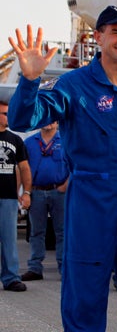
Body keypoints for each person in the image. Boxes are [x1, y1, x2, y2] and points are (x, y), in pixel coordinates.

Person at [8, 6, 117, 331]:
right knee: (84, 303)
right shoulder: (73, 84)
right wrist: (29, 82)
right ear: (98, 36)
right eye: (116, 32)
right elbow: (21, 120)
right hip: (90, 206)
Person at [21, 121, 68, 281]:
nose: (48, 123)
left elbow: (75, 164)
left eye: (52, 119)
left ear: (57, 122)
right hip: (37, 192)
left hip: (59, 192)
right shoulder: (29, 142)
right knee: (36, 232)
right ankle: (35, 268)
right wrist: (24, 193)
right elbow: (22, 167)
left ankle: (64, 267)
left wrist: (67, 184)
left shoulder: (66, 140)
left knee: (62, 232)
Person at [0, 101, 31, 292]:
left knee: (9, 239)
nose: (7, 117)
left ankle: (11, 278)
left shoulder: (15, 140)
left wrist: (26, 193)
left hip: (8, 197)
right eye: (4, 113)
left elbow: (24, 167)